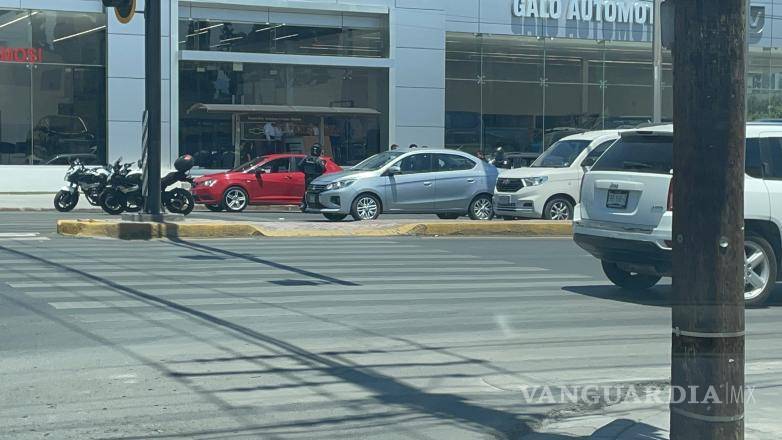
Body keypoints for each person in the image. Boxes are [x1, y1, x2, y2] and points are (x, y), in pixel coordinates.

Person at [299, 144, 327, 211]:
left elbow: (299, 165)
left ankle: (304, 205)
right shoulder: (318, 160)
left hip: (307, 177)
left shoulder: (306, 158)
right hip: (316, 178)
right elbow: (323, 169)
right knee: (317, 192)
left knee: (307, 191)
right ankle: (316, 205)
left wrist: (305, 172)